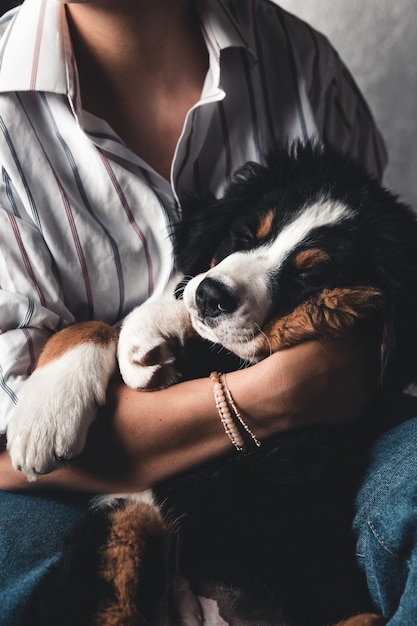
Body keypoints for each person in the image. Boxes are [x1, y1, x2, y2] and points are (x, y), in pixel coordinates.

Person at [0, 0, 411, 624]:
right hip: (58, 490)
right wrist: (269, 395)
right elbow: (15, 456)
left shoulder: (303, 64)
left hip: (308, 475)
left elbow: (372, 298)